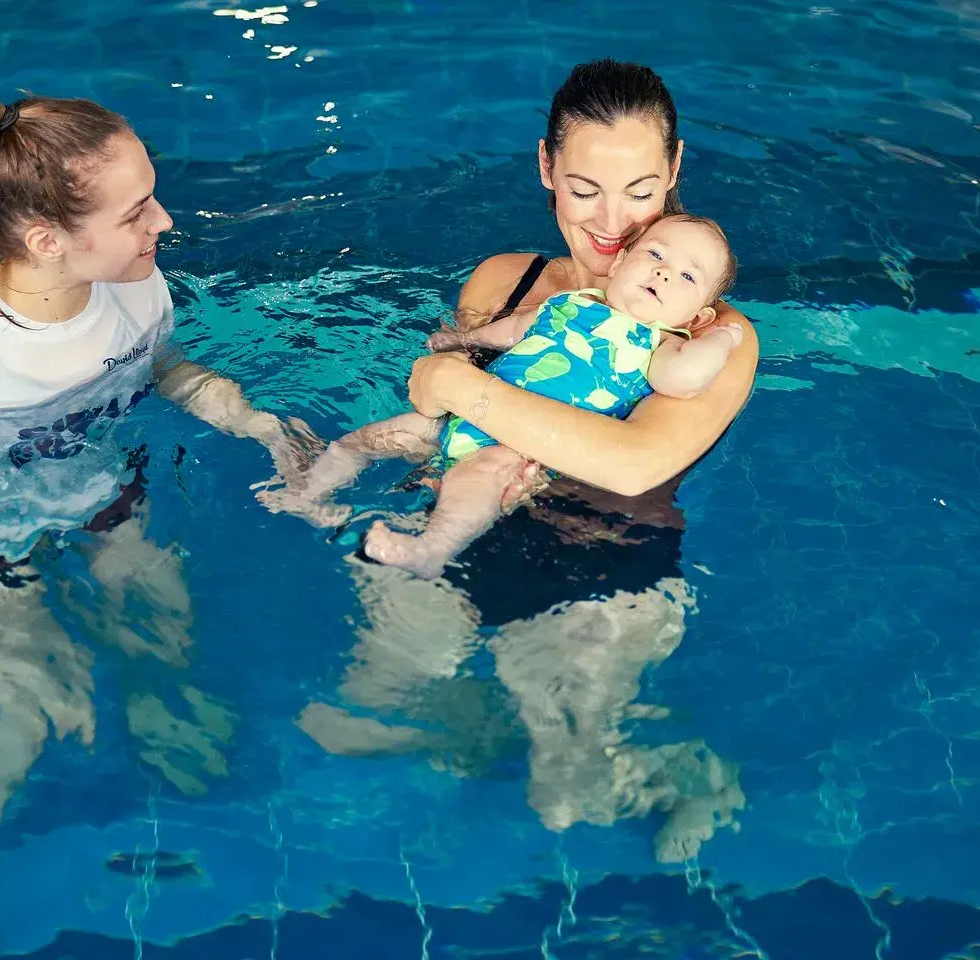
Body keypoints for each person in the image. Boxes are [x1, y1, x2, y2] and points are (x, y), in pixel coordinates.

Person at [0, 94, 309, 960]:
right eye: (137, 210)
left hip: (109, 503)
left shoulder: (132, 283)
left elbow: (166, 370)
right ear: (48, 239)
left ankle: (160, 781)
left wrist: (252, 420)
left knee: (166, 644)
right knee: (22, 720)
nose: (165, 219)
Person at [290, 59, 759, 864]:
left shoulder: (712, 335)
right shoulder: (505, 282)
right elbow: (443, 419)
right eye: (583, 189)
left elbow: (632, 462)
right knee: (344, 726)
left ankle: (688, 772)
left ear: (676, 169)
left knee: (563, 798)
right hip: (459, 525)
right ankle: (485, 724)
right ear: (545, 167)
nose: (612, 222)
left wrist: (448, 384)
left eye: (641, 190)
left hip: (598, 557)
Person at [260, 214, 742, 580]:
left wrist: (722, 339)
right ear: (620, 261)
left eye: (686, 277)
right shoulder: (570, 304)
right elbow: (515, 331)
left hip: (514, 447)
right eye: (655, 256)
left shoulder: (663, 344)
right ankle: (308, 493)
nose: (663, 274)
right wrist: (460, 341)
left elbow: (685, 379)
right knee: (365, 440)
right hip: (460, 418)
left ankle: (431, 549)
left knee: (476, 481)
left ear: (697, 316)